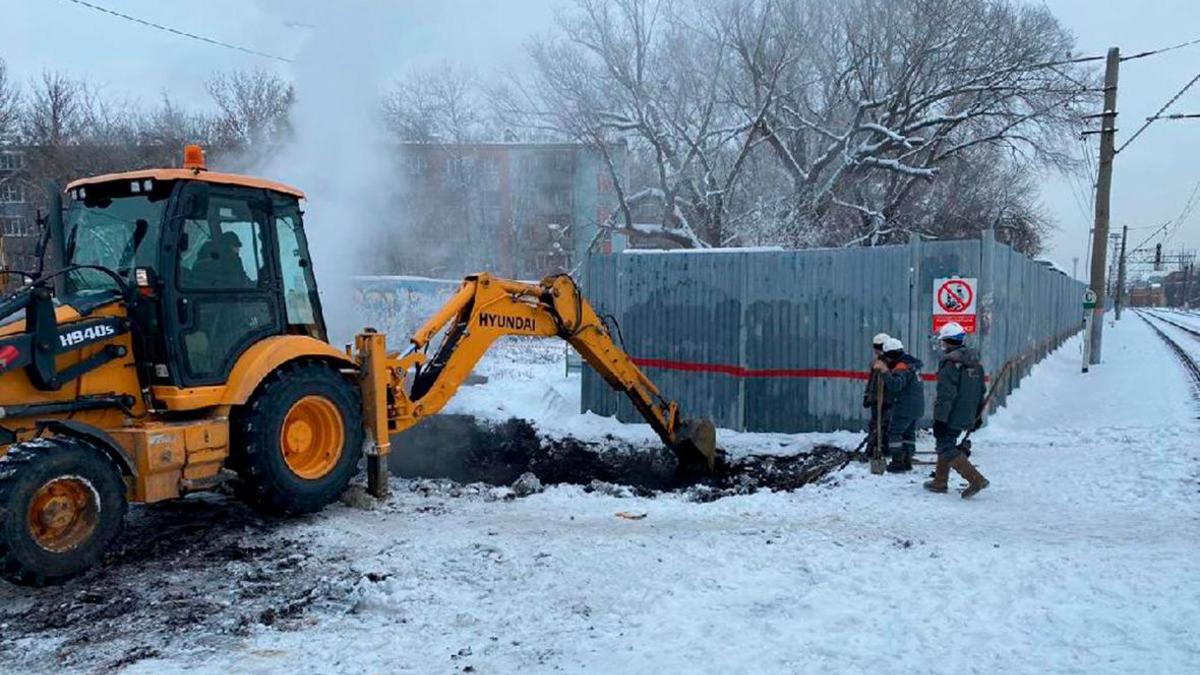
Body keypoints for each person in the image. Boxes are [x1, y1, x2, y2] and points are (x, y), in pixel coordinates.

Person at [925, 321, 990, 498]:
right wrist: (977, 416)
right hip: (967, 413)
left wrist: (940, 419)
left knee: (946, 447)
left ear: (948, 342)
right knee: (946, 444)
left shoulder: (950, 363)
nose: (942, 345)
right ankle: (940, 481)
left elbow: (946, 394)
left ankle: (976, 479)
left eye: (943, 342)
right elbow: (980, 392)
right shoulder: (975, 364)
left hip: (951, 413)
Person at [875, 337, 923, 472]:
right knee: (908, 434)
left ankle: (898, 462)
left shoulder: (902, 366)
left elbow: (896, 385)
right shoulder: (913, 365)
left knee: (894, 433)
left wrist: (884, 371)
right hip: (917, 407)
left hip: (904, 407)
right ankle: (907, 460)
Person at [862, 333, 891, 457]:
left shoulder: (891, 362)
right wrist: (867, 395)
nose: (877, 351)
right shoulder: (876, 362)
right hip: (876, 399)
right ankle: (875, 448)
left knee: (883, 425)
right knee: (875, 424)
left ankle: (878, 448)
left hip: (887, 399)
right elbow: (872, 381)